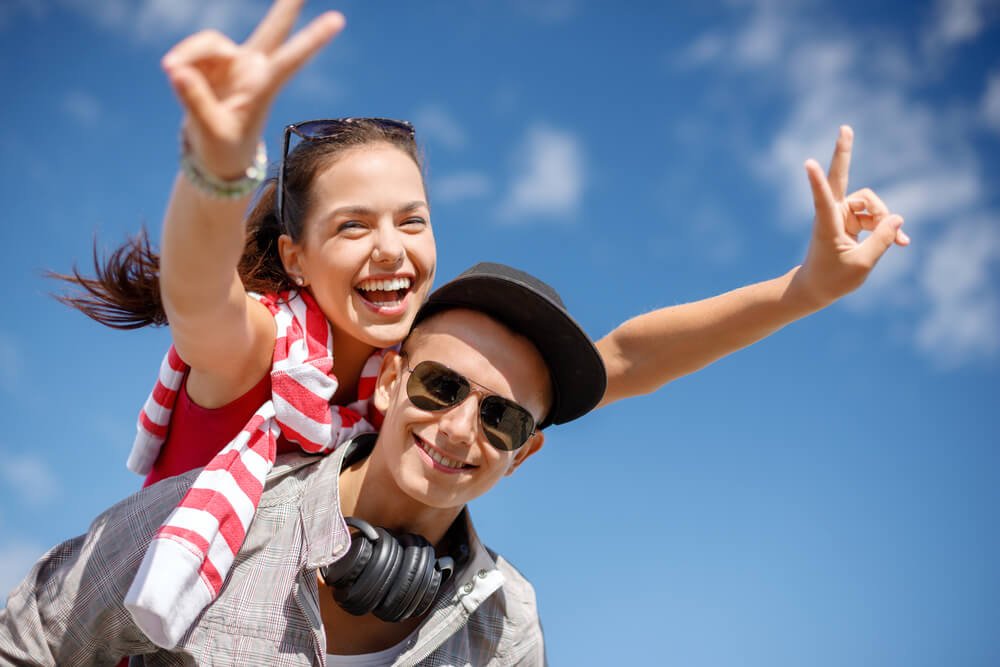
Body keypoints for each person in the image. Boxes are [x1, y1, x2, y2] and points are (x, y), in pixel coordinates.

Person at [51, 0, 908, 651]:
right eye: (352, 226)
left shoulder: (426, 359)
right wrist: (216, 166)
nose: (391, 248)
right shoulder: (266, 347)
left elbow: (628, 355)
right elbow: (200, 296)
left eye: (412, 220)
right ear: (297, 257)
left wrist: (803, 290)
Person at [1, 262, 606, 666]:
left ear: (523, 453)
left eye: (502, 419)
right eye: (441, 385)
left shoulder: (507, 621)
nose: (457, 427)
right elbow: (28, 639)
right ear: (392, 382)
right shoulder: (224, 518)